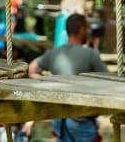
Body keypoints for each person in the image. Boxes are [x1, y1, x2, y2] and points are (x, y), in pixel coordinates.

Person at [28, 13, 108, 142]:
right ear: (82, 29)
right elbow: (109, 81)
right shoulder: (89, 54)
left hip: (59, 117)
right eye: (86, 29)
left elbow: (32, 69)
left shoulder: (54, 53)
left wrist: (48, 84)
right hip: (81, 118)